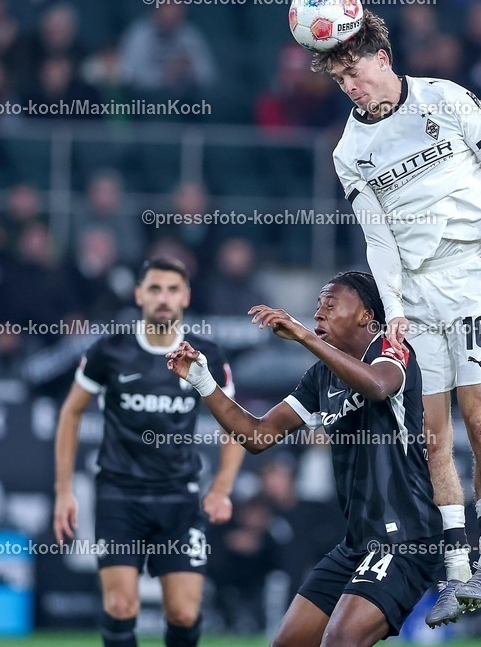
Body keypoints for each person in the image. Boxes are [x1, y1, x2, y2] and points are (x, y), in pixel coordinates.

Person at [313, 9, 481, 626]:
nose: (351, 87)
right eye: (340, 80)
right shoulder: (349, 151)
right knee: (431, 436)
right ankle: (456, 572)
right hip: (414, 295)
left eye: (355, 71)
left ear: (382, 58)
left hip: (470, 274)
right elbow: (378, 242)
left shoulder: (444, 100)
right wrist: (392, 312)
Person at [166, 271, 443, 646]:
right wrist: (204, 383)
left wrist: (304, 337)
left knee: (340, 641)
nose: (318, 316)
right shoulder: (321, 378)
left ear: (365, 315)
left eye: (330, 305)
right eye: (316, 309)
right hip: (358, 544)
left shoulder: (391, 350)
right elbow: (258, 435)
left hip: (405, 540)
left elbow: (378, 387)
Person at [52, 257, 243, 647]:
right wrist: (63, 490)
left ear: (186, 297)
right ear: (139, 294)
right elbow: (71, 412)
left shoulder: (205, 355)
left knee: (184, 613)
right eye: (154, 289)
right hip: (119, 495)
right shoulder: (110, 350)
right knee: (121, 607)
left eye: (172, 290)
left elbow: (236, 425)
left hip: (179, 496)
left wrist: (222, 487)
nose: (163, 298)